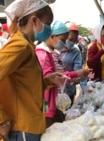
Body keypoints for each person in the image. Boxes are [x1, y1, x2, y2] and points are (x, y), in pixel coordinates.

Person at [0, 0, 67, 140]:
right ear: (34, 20)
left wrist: (47, 81)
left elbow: (25, 85)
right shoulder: (20, 46)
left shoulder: (28, 47)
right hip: (23, 127)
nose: (49, 29)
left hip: (30, 124)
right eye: (48, 23)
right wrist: (2, 120)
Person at [35, 21, 91, 128]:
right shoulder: (43, 54)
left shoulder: (53, 52)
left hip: (57, 102)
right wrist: (76, 74)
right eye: (63, 40)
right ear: (52, 36)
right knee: (50, 129)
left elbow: (59, 75)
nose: (65, 43)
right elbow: (52, 79)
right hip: (48, 104)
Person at [61, 21, 84, 103]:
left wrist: (78, 78)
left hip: (69, 91)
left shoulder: (75, 51)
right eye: (70, 39)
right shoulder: (53, 48)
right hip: (54, 91)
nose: (71, 42)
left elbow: (78, 71)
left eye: (74, 40)